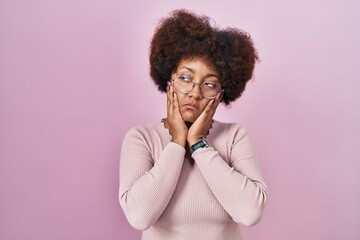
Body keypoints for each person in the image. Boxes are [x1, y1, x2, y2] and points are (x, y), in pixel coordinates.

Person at [119, 9, 267, 240]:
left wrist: (198, 144)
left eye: (209, 84)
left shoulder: (235, 136)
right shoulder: (142, 138)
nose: (195, 93)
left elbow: (250, 213)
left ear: (221, 93)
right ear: (169, 81)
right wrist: (178, 142)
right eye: (186, 79)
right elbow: (139, 216)